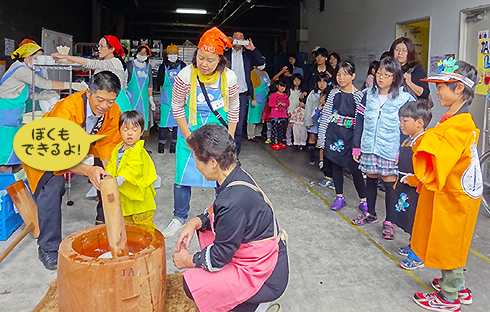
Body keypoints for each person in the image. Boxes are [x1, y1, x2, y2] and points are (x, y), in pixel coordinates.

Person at [172, 124, 289, 312]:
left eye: (196, 160)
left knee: (191, 284)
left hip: (267, 275)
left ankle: (255, 305)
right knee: (206, 232)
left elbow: (218, 257)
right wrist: (197, 221)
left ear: (212, 162)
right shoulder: (235, 176)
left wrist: (188, 260)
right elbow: (217, 213)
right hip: (267, 256)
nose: (196, 166)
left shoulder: (232, 201)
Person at [23, 71, 123, 270]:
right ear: (89, 92)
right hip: (45, 149)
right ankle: (48, 248)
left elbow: (108, 145)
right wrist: (88, 170)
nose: (105, 106)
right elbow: (57, 154)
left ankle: (103, 223)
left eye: (110, 102)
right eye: (100, 99)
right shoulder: (67, 109)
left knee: (108, 177)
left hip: (82, 146)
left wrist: (106, 170)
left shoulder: (113, 110)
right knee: (53, 186)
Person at [411, 59, 480, 311]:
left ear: (459, 89)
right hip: (457, 192)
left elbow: (440, 157)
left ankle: (449, 297)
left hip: (456, 195)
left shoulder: (459, 125)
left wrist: (422, 140)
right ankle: (457, 285)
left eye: (441, 86)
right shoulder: (454, 120)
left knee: (450, 239)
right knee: (454, 239)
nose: (437, 91)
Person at [162, 27, 240, 238]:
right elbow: (176, 106)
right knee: (182, 176)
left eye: (210, 60)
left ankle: (220, 217)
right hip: (190, 129)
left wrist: (229, 138)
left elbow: (234, 109)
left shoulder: (230, 78)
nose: (203, 64)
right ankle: (179, 217)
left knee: (220, 176)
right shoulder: (185, 75)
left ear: (220, 60)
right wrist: (188, 136)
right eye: (200, 58)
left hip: (216, 134)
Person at [351, 57, 415, 240]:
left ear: (394, 77)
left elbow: (408, 128)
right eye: (379, 73)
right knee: (370, 179)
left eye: (386, 75)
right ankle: (370, 214)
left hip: (391, 148)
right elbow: (360, 122)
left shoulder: (405, 98)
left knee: (389, 183)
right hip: (369, 145)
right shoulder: (368, 95)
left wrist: (401, 152)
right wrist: (357, 147)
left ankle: (390, 222)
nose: (381, 77)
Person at [0, 43, 83, 173]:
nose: (38, 62)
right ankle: (6, 184)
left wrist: (41, 96)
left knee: (14, 152)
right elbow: (43, 83)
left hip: (14, 114)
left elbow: (26, 94)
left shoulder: (24, 70)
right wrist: (70, 85)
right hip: (6, 113)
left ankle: (15, 180)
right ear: (27, 57)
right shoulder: (20, 70)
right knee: (5, 153)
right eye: (36, 58)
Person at [318, 61, 367, 212]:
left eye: (345, 74)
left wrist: (359, 145)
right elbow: (326, 115)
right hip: (334, 135)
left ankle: (364, 200)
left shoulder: (359, 96)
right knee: (335, 166)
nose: (341, 78)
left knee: (355, 168)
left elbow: (362, 121)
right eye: (339, 74)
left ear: (353, 76)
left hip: (351, 137)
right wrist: (322, 137)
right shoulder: (333, 94)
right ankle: (339, 196)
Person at [394, 100, 432, 270]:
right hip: (405, 188)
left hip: (416, 190)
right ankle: (412, 245)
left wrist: (411, 180)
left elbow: (424, 173)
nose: (401, 124)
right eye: (401, 121)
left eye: (405, 121)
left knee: (416, 222)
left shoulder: (423, 143)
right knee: (408, 219)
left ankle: (417, 256)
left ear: (419, 123)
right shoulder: (409, 140)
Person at [105, 110, 157, 231]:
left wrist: (120, 178)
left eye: (134, 130)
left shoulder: (138, 150)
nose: (130, 133)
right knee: (128, 229)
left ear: (141, 132)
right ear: (119, 130)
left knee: (145, 229)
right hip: (125, 199)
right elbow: (112, 164)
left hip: (140, 201)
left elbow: (134, 169)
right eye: (125, 129)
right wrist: (108, 176)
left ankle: (150, 249)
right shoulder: (118, 148)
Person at [52, 35, 131, 112]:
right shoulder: (105, 62)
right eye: (98, 46)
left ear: (112, 49)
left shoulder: (114, 62)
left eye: (102, 46)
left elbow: (89, 63)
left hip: (116, 101)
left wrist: (65, 56)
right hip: (108, 100)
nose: (98, 49)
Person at [224, 31, 265, 154]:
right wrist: (225, 44)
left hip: (241, 95)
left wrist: (252, 49)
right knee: (223, 124)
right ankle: (222, 152)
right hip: (224, 95)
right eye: (235, 37)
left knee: (237, 126)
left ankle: (234, 154)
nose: (238, 39)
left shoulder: (248, 55)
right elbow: (213, 58)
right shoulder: (225, 54)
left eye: (241, 37)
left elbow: (261, 64)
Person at [157, 44, 186, 153]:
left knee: (177, 121)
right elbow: (159, 81)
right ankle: (161, 143)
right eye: (170, 53)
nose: (172, 55)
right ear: (167, 54)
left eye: (174, 53)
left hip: (179, 97)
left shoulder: (183, 66)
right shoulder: (163, 66)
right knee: (164, 122)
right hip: (166, 97)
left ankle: (174, 143)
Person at [126, 45, 154, 132]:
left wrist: (151, 99)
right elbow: (124, 81)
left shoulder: (148, 67)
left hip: (144, 99)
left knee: (141, 121)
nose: (142, 54)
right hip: (131, 97)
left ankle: (140, 140)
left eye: (145, 53)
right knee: (130, 119)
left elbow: (150, 84)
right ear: (137, 53)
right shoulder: (129, 65)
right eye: (141, 52)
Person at [305, 73, 330, 167]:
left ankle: (322, 159)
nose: (322, 84)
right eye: (319, 81)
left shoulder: (330, 94)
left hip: (325, 122)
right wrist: (307, 121)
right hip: (313, 120)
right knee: (312, 137)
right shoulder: (313, 94)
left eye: (324, 81)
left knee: (323, 140)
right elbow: (308, 108)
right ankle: (312, 157)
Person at [247, 61, 270, 142]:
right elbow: (252, 85)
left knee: (261, 116)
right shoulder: (253, 72)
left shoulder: (265, 73)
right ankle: (251, 134)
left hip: (264, 98)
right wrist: (253, 98)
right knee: (253, 117)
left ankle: (258, 133)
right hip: (256, 97)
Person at [268, 80, 289, 150]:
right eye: (281, 86)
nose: (282, 88)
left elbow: (288, 104)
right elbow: (270, 104)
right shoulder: (274, 95)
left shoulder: (285, 96)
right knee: (274, 129)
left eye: (284, 87)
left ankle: (280, 141)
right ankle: (273, 142)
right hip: (275, 115)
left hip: (282, 115)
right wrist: (276, 105)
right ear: (277, 86)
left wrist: (284, 104)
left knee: (280, 129)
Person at [286, 73, 302, 146]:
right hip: (291, 111)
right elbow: (289, 101)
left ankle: (296, 139)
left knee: (297, 127)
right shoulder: (290, 90)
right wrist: (288, 111)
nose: (297, 82)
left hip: (299, 112)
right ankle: (288, 138)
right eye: (295, 80)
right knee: (290, 126)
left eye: (298, 80)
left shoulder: (302, 91)